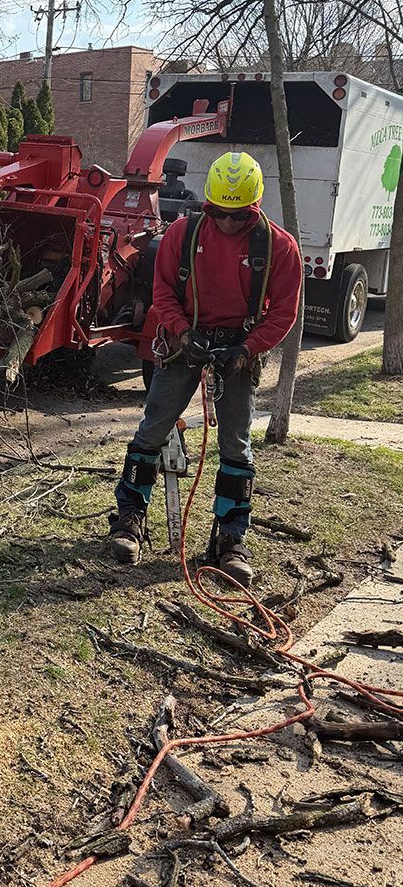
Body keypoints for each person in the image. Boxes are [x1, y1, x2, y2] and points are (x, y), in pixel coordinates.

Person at [109, 150, 302, 585]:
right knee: (153, 430)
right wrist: (180, 332)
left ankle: (229, 539)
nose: (229, 223)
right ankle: (129, 519)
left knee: (236, 445)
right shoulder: (183, 233)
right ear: (208, 204)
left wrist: (247, 350)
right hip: (185, 344)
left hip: (239, 349)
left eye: (239, 215)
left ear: (254, 206)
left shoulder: (277, 247)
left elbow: (283, 314)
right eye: (221, 214)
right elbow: (162, 292)